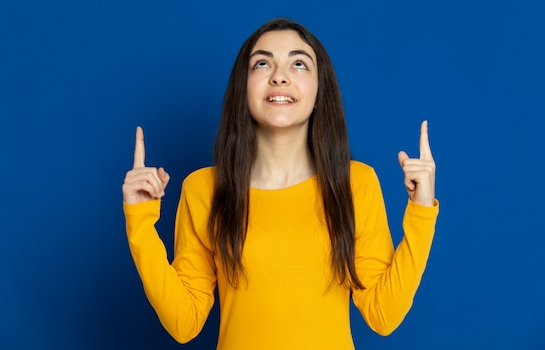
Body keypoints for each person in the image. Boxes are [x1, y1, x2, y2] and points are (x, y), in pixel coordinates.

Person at [122, 18, 439, 350]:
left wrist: (420, 213)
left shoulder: (355, 183)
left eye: (299, 63)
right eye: (262, 63)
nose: (279, 75)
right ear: (242, 87)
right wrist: (140, 222)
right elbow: (183, 322)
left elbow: (382, 314)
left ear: (319, 91)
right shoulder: (203, 189)